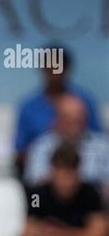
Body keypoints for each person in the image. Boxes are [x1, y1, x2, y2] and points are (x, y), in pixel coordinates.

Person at [14, 46, 102, 175]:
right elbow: (20, 152)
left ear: (67, 69)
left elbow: (98, 140)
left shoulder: (85, 101)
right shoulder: (28, 107)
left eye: (58, 66)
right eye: (49, 67)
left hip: (85, 171)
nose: (54, 72)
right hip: (42, 172)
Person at [19, 142, 106, 236]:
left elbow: (97, 235)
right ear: (52, 171)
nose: (66, 182)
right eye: (62, 175)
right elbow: (28, 231)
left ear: (78, 173)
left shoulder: (91, 194)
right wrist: (45, 234)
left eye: (70, 175)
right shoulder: (36, 195)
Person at [24, 94, 109, 189]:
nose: (75, 128)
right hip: (51, 200)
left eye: (79, 120)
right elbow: (34, 182)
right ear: (57, 120)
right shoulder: (41, 146)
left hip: (93, 200)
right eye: (69, 121)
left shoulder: (103, 146)